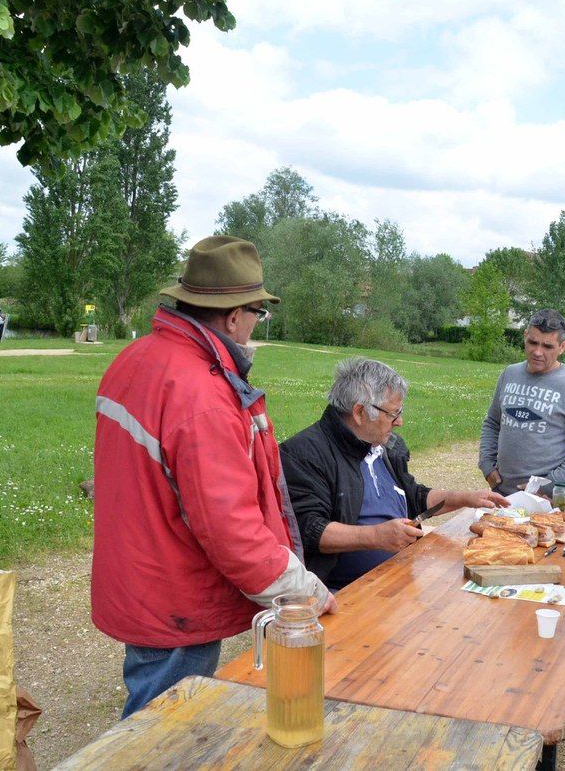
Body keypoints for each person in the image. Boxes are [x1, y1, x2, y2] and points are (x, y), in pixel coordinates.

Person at [91, 235, 335, 719]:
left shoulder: (135, 358)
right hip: (174, 590)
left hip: (141, 574)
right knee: (164, 728)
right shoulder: (201, 395)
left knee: (149, 716)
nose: (254, 324)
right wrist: (302, 590)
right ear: (232, 315)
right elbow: (230, 529)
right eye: (256, 313)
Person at [282, 358, 511, 590]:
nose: (399, 422)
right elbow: (310, 530)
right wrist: (376, 536)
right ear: (360, 412)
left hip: (398, 576)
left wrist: (463, 498)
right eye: (393, 414)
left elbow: (413, 497)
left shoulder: (384, 445)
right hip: (342, 592)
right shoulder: (305, 454)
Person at [479, 308, 565, 494]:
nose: (537, 352)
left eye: (547, 346)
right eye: (532, 342)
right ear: (525, 336)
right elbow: (492, 423)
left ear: (563, 347)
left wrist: (547, 485)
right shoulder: (509, 374)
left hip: (546, 501)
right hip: (501, 492)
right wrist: (487, 465)